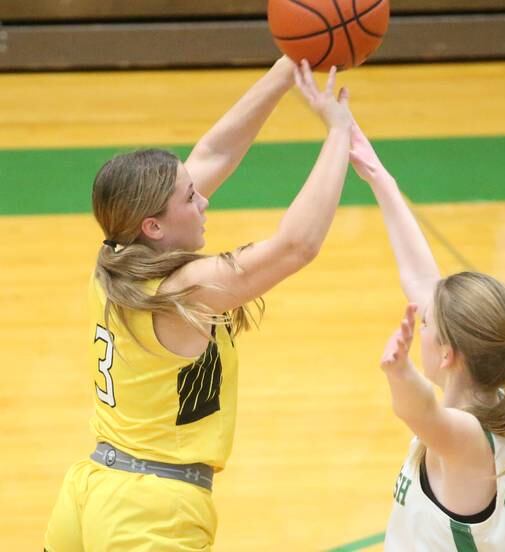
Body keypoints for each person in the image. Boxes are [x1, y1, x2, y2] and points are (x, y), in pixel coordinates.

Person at [44, 58, 353, 551]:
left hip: (90, 491)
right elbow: (298, 245)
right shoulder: (180, 291)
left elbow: (214, 151)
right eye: (191, 199)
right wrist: (340, 133)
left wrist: (284, 70)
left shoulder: (114, 256)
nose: (204, 201)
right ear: (155, 226)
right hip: (150, 517)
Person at [349, 123, 505, 550]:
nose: (421, 325)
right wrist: (378, 176)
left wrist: (398, 373)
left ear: (449, 354)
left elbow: (420, 411)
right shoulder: (494, 398)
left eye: (427, 325)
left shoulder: (466, 440)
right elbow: (419, 277)